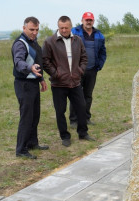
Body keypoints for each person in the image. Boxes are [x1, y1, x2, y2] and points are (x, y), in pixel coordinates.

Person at [42, 16, 95, 147]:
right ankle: (65, 136)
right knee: (60, 111)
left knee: (81, 107)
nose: (64, 30)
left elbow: (84, 57)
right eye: (61, 28)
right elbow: (45, 61)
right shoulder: (50, 41)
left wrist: (80, 71)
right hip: (58, 84)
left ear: (71, 27)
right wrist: (55, 74)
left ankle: (83, 133)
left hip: (75, 82)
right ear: (58, 27)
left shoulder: (77, 40)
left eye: (66, 27)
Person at [12, 16, 48, 159]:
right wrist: (29, 68)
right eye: (31, 29)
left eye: (37, 30)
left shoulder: (33, 42)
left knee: (35, 115)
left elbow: (37, 62)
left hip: (33, 83)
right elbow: (19, 62)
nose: (34, 32)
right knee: (26, 117)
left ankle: (33, 143)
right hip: (23, 84)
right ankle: (21, 149)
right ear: (24, 28)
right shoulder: (20, 44)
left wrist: (41, 79)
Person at [69, 12, 107, 127]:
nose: (88, 22)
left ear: (93, 21)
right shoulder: (74, 32)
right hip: (77, 69)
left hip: (92, 70)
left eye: (90, 20)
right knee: (75, 95)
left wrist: (99, 65)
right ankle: (74, 120)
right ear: (82, 20)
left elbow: (102, 52)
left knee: (88, 95)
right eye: (86, 20)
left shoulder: (99, 35)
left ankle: (86, 118)